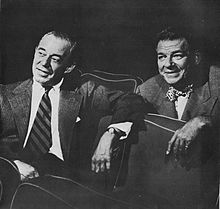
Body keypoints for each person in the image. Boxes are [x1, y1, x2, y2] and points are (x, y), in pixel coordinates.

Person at [0, 30, 145, 205]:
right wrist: (14, 165)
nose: (44, 63)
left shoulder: (84, 92)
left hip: (60, 179)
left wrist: (111, 134)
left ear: (69, 67)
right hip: (11, 173)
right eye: (41, 53)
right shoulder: (5, 95)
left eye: (55, 59)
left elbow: (132, 100)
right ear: (35, 51)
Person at [93, 26, 219, 208]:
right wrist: (109, 133)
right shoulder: (148, 89)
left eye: (177, 55)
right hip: (166, 188)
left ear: (195, 58)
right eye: (162, 57)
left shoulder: (216, 80)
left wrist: (203, 121)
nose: (168, 64)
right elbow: (129, 104)